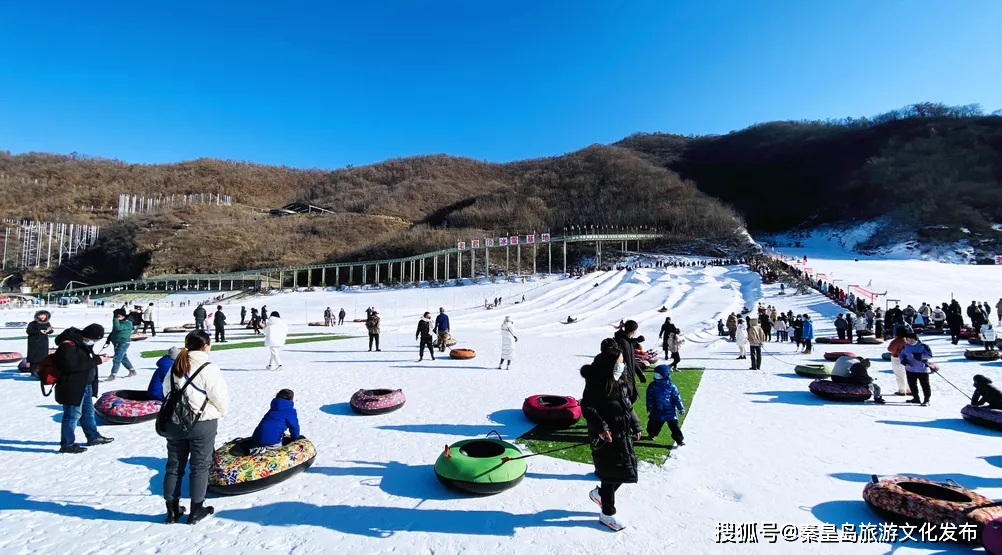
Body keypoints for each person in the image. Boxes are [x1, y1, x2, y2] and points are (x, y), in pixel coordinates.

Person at [163, 330, 229, 525]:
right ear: (206, 345)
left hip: (176, 422)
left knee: (174, 465)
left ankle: (172, 510)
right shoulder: (208, 367)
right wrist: (220, 411)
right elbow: (219, 396)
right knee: (200, 466)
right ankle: (196, 509)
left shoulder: (176, 364)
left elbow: (166, 391)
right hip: (202, 422)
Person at [580, 340, 641, 531]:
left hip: (623, 435)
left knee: (623, 472)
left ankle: (600, 496)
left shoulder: (620, 380)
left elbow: (627, 406)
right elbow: (587, 407)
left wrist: (636, 424)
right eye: (619, 362)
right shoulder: (597, 384)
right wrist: (601, 426)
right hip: (606, 437)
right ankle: (607, 514)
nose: (622, 365)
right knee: (610, 475)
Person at [54, 324, 114, 454]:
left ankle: (93, 437)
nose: (94, 342)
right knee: (72, 415)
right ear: (87, 335)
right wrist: (97, 360)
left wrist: (96, 358)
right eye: (94, 340)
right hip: (72, 386)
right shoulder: (68, 345)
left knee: (88, 413)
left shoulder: (82, 344)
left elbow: (84, 360)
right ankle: (67, 444)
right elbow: (72, 366)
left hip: (86, 384)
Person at [250, 389, 300, 455]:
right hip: (272, 442)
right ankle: (267, 453)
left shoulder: (273, 408)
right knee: (281, 453)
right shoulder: (289, 411)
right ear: (291, 399)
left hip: (257, 437)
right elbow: (294, 427)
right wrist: (295, 439)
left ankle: (258, 449)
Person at [646, 364, 685, 445]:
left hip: (670, 411)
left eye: (658, 375)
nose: (655, 376)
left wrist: (680, 408)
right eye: (655, 374)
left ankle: (679, 439)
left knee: (674, 426)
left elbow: (676, 398)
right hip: (657, 410)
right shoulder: (652, 385)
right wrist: (649, 406)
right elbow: (649, 397)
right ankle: (651, 434)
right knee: (654, 424)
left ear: (663, 375)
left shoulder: (671, 386)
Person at [613, 320, 647, 404]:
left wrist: (640, 373)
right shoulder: (621, 341)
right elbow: (620, 359)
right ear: (633, 331)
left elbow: (631, 360)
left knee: (633, 397)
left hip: (630, 375)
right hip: (624, 376)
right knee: (627, 399)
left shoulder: (628, 342)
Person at [900, 333, 934, 406]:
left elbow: (929, 355)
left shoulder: (923, 346)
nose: (910, 342)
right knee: (912, 384)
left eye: (911, 340)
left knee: (925, 385)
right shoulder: (905, 347)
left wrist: (918, 356)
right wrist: (904, 361)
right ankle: (916, 398)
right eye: (908, 340)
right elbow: (901, 355)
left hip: (922, 369)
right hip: (910, 369)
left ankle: (926, 400)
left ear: (916, 339)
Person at [105, 308, 135, 380]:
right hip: (116, 343)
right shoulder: (118, 322)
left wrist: (115, 320)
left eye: (117, 316)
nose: (116, 318)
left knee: (117, 359)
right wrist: (108, 340)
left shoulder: (127, 323)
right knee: (123, 358)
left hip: (123, 343)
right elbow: (114, 332)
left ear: (123, 316)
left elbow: (118, 328)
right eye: (115, 316)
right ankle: (132, 371)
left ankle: (113, 375)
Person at [25, 309, 53, 375]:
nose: (42, 316)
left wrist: (49, 331)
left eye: (44, 315)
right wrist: (39, 331)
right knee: (34, 357)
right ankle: (33, 371)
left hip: (43, 342)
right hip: (34, 343)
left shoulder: (47, 323)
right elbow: (28, 331)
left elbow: (51, 331)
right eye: (41, 315)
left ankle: (42, 371)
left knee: (43, 357)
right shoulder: (32, 324)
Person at [887, 329, 911, 396]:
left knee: (900, 375)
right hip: (908, 358)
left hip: (897, 358)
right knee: (908, 374)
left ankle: (902, 390)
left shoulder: (897, 340)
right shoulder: (909, 340)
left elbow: (891, 349)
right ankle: (910, 390)